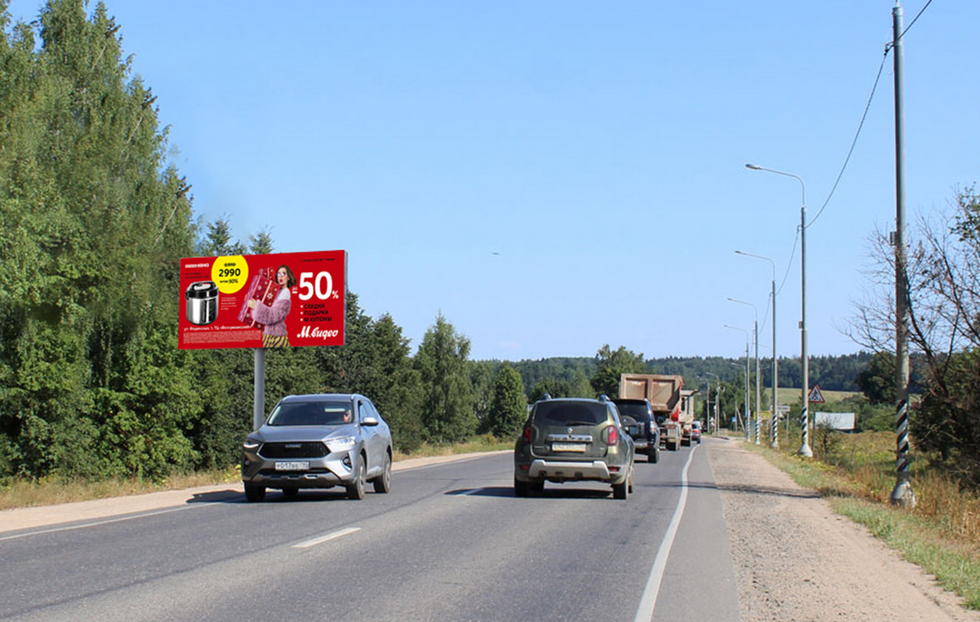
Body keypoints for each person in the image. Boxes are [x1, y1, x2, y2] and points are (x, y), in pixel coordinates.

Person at [248, 264, 296, 348]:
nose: (280, 276)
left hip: (276, 336)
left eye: (283, 273)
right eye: (278, 274)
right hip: (269, 334)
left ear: (288, 277)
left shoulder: (285, 292)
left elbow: (272, 316)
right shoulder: (277, 291)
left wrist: (256, 306)